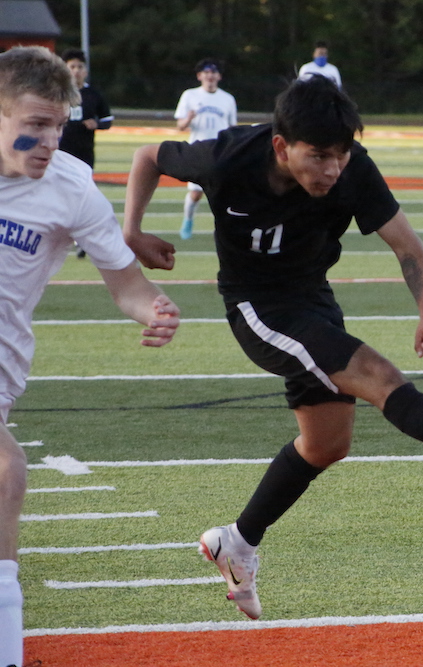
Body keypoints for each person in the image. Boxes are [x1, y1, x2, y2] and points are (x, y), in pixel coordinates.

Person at [122, 75, 423, 621]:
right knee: (379, 376)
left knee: (327, 444)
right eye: (320, 155)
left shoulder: (354, 169)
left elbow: (407, 245)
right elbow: (145, 156)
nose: (332, 168)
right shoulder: (229, 156)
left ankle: (235, 541)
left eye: (342, 154)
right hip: (258, 307)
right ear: (282, 146)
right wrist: (132, 231)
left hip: (313, 300)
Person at [0, 46, 180, 667]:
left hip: (2, 369)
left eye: (58, 124)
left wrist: (152, 309)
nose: (49, 139)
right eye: (34, 124)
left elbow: (126, 286)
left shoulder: (71, 185)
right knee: (5, 471)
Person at [59, 49, 115, 260]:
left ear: (86, 70)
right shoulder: (56, 92)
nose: (75, 71)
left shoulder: (93, 95)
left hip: (83, 154)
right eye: (71, 67)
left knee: (82, 197)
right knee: (59, 195)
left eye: (79, 67)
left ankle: (80, 239)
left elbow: (108, 119)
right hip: (57, 153)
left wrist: (97, 123)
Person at [174, 58, 237, 240]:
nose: (210, 76)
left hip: (220, 150)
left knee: (223, 194)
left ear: (219, 76)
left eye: (213, 72)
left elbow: (232, 127)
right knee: (195, 193)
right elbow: (180, 126)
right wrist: (189, 118)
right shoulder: (190, 95)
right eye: (206, 72)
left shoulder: (227, 99)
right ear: (199, 76)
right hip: (198, 149)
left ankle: (225, 229)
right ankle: (188, 219)